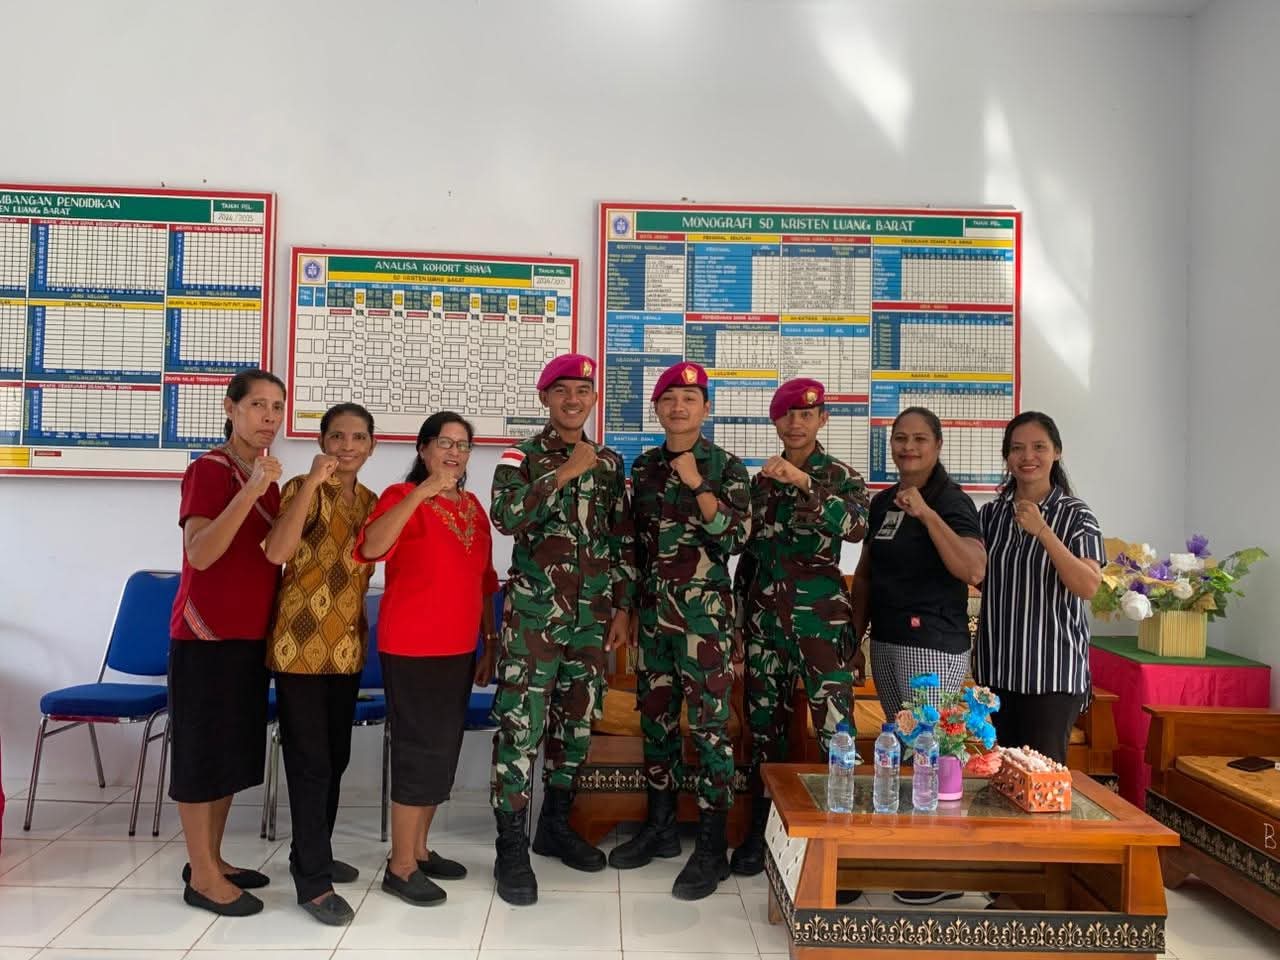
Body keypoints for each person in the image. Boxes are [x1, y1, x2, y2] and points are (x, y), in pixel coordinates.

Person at [487, 354, 634, 906]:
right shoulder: (520, 455)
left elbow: (621, 538)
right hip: (535, 617)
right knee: (520, 728)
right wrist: (564, 473)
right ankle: (511, 847)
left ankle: (554, 825)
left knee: (575, 725)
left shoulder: (611, 462)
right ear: (545, 398)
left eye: (583, 391)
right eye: (562, 390)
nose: (574, 400)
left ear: (594, 398)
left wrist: (622, 608)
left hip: (592, 618)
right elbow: (506, 517)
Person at [608, 361, 751, 901]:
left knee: (711, 730)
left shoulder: (727, 467)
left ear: (705, 409)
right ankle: (661, 827)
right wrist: (625, 608)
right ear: (656, 408)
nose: (679, 407)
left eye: (690, 399)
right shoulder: (644, 467)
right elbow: (631, 545)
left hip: (703, 623)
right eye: (669, 399)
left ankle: (712, 847)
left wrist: (696, 482)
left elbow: (735, 538)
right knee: (658, 724)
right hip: (653, 621)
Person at [355, 412, 498, 907]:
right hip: (412, 646)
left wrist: (490, 640)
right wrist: (421, 493)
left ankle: (418, 849)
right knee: (417, 751)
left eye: (462, 445)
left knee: (441, 751)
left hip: (459, 647)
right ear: (423, 449)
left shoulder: (473, 507)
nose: (454, 453)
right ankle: (400, 866)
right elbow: (371, 547)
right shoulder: (400, 496)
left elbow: (485, 579)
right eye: (444, 443)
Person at [730, 378, 868, 877]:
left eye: (806, 414)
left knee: (836, 733)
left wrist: (805, 483)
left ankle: (842, 841)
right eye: (786, 414)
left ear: (822, 419)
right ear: (775, 421)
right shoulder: (761, 483)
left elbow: (857, 528)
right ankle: (761, 831)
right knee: (763, 732)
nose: (795, 423)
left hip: (821, 627)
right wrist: (738, 622)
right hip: (765, 626)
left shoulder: (840, 476)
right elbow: (749, 558)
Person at [850, 405, 985, 907]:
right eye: (900, 439)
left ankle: (940, 868)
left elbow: (973, 569)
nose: (908, 448)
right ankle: (910, 854)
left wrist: (927, 515)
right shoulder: (883, 502)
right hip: (886, 642)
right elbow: (866, 574)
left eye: (919, 439)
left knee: (935, 754)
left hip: (932, 647)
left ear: (937, 445)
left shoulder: (951, 501)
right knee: (908, 753)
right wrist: (855, 640)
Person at [168, 368, 285, 917]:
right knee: (200, 755)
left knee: (229, 754)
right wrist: (252, 491)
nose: (268, 417)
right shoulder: (209, 470)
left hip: (250, 635)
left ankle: (211, 860)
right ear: (231, 408)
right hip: (205, 634)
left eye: (277, 407)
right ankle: (202, 877)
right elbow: (201, 552)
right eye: (258, 404)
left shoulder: (265, 476)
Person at [262, 403, 378, 926]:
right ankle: (313, 883)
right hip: (299, 648)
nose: (347, 446)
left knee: (334, 760)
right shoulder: (300, 489)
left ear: (372, 445)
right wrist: (310, 482)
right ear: (322, 442)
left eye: (357, 437)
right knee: (309, 765)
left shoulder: (371, 502)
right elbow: (276, 551)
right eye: (337, 436)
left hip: (346, 649)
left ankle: (313, 853)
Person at [976, 411, 1104, 763]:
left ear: (1057, 452)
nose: (1027, 456)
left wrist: (1043, 531)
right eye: (1017, 448)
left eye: (1039, 447)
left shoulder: (1077, 515)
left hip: (1052, 676)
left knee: (1042, 780)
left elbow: (1088, 586)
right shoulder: (990, 516)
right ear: (1007, 456)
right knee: (1003, 777)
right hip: (998, 671)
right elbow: (979, 576)